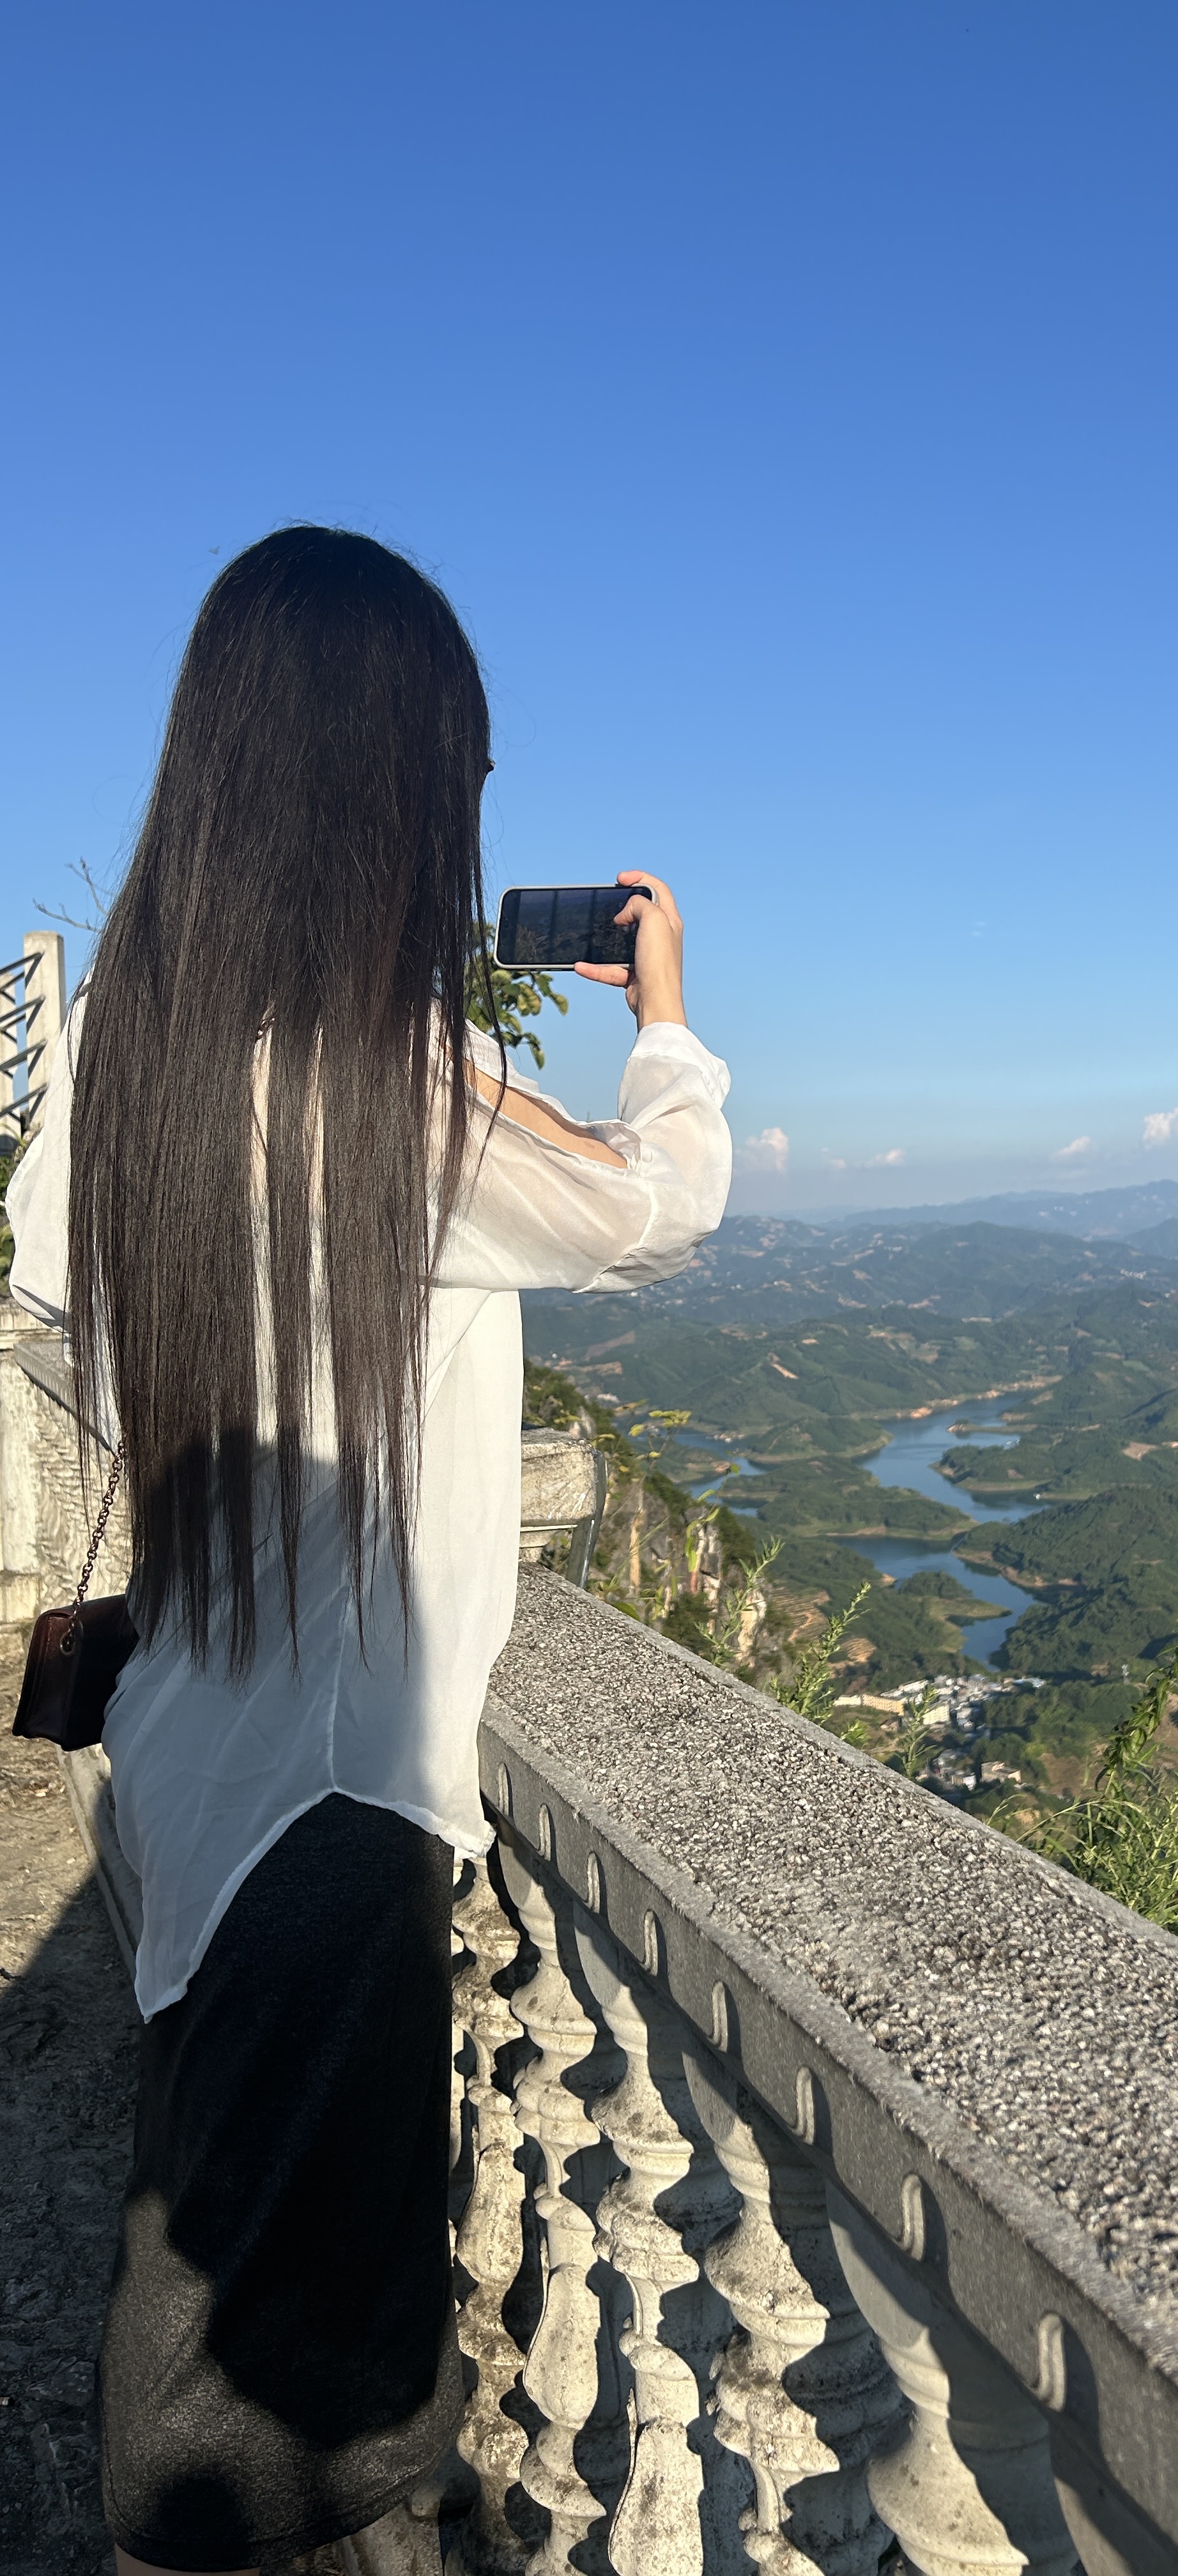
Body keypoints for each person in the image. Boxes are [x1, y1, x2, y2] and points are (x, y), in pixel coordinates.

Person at [6, 527, 731, 2575]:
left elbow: (74, 1325)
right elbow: (653, 1210)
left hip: (189, 1738)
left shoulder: (125, 1073)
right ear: (387, 793)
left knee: (212, 2188)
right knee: (246, 2360)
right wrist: (665, 1017)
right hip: (332, 1790)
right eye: (455, 777)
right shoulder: (386, 1091)